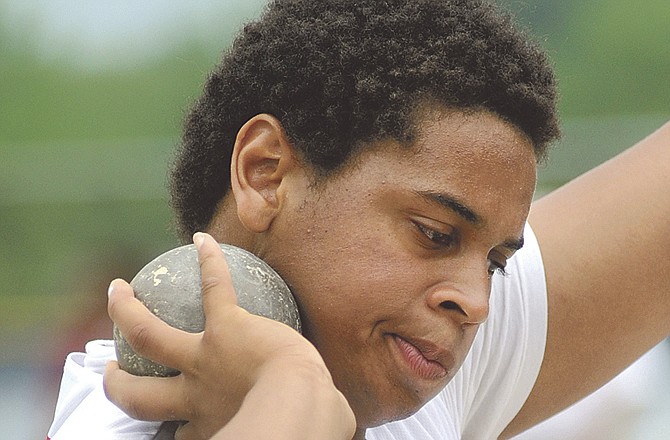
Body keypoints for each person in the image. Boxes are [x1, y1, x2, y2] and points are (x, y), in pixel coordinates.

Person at [47, 0, 670, 439]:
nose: (477, 303)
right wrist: (291, 390)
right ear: (265, 172)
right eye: (434, 234)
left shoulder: (401, 362)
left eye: (496, 263)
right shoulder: (110, 426)